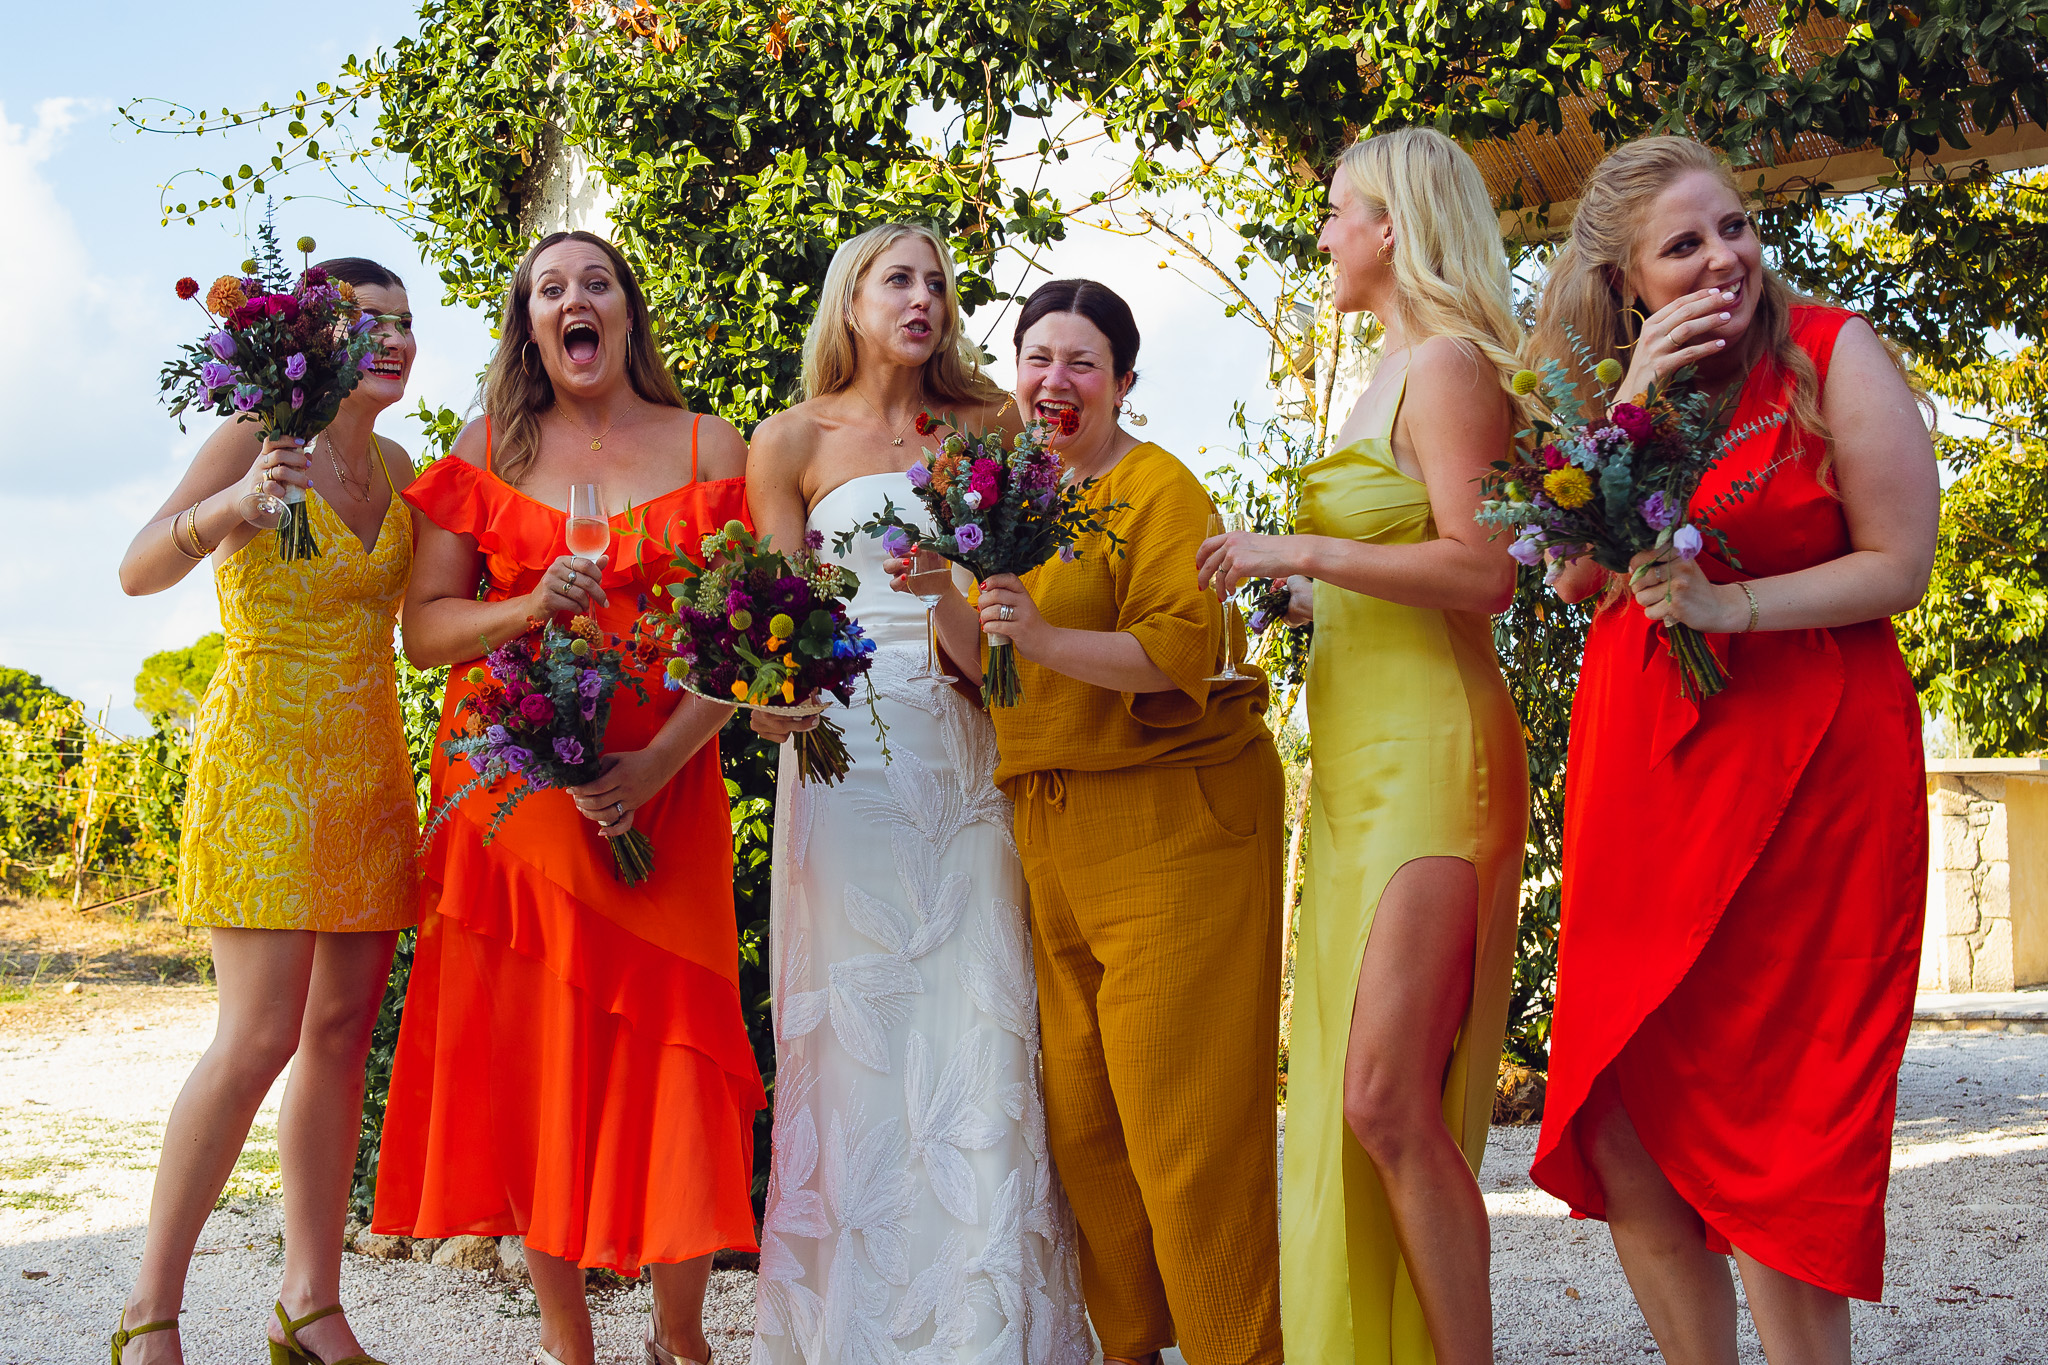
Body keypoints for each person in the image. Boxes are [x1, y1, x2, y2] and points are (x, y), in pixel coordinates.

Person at [1528, 135, 1937, 1365]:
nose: (1723, 260)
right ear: (1628, 282)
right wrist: (1630, 407)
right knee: (1623, 1113)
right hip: (1646, 774)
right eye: (1684, 245)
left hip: (1813, 769)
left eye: (1735, 227)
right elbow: (1568, 570)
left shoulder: (1829, 352)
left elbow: (1898, 566)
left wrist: (1726, 609)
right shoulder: (1608, 388)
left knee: (1778, 1117)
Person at [369, 231, 763, 1365]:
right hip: (518, 791)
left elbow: (743, 640)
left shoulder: (707, 442)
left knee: (679, 1042)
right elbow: (426, 633)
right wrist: (530, 606)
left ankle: (678, 1339)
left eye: (595, 282)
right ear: (529, 323)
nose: (574, 300)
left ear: (628, 312)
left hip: (666, 783)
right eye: (551, 288)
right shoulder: (488, 445)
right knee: (539, 1047)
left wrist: (655, 767)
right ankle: (565, 1340)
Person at [1198, 126, 1531, 1365]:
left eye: (1338, 212)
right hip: (1349, 764)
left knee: (1385, 1097)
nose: (1323, 234)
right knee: (1361, 1101)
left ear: (1390, 226)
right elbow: (1399, 565)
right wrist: (1302, 599)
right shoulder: (1380, 368)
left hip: (1433, 760)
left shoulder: (1445, 365)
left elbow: (1484, 570)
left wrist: (1300, 552)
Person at [742, 221, 1090, 1363]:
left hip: (961, 736)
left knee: (977, 1010)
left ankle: (987, 1323)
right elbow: (771, 627)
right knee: (856, 1026)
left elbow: (1010, 613)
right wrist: (767, 701)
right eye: (899, 278)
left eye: (938, 283)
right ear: (851, 300)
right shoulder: (787, 440)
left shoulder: (988, 426)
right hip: (841, 758)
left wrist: (954, 599)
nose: (923, 298)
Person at [920, 278, 1285, 1365]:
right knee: (1083, 1129)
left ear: (1122, 381)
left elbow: (1177, 650)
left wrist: (1032, 635)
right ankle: (1128, 1347)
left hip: (1171, 821)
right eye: (1037, 358)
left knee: (1184, 1131)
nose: (1054, 380)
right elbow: (981, 662)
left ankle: (1237, 1351)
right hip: (1051, 824)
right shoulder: (1009, 501)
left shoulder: (1155, 489)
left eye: (1081, 362)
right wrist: (938, 589)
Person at [112, 259, 420, 1365]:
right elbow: (138, 569)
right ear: (309, 338)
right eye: (362, 322)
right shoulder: (254, 433)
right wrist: (230, 508)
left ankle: (310, 1303)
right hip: (264, 765)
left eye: (401, 321)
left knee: (339, 1039)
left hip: (372, 769)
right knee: (254, 1038)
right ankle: (150, 1313)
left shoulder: (398, 465)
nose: (389, 338)